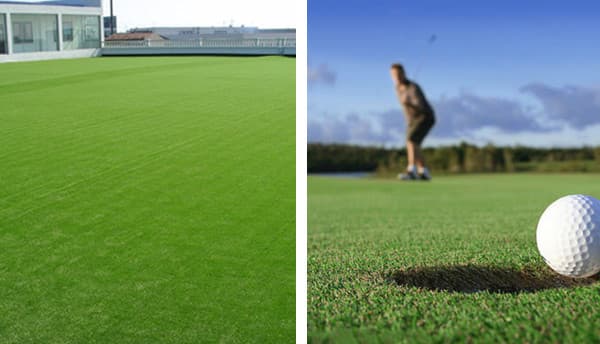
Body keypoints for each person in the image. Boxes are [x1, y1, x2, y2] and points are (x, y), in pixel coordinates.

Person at [390, 63, 436, 180]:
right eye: (394, 75)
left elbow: (420, 106)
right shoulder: (397, 88)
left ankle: (411, 170)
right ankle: (424, 172)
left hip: (425, 116)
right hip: (413, 120)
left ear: (404, 74)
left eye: (399, 74)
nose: (397, 77)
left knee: (411, 140)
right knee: (415, 144)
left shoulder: (413, 87)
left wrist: (409, 102)